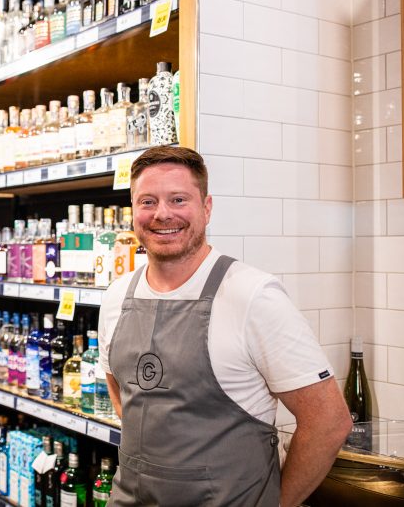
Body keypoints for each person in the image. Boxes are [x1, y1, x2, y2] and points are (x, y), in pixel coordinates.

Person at [99, 146, 352, 507]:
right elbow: (123, 395)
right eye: (147, 201)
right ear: (134, 212)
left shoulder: (254, 296)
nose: (163, 214)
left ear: (207, 208)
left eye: (179, 199)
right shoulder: (115, 298)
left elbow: (328, 421)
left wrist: (278, 503)